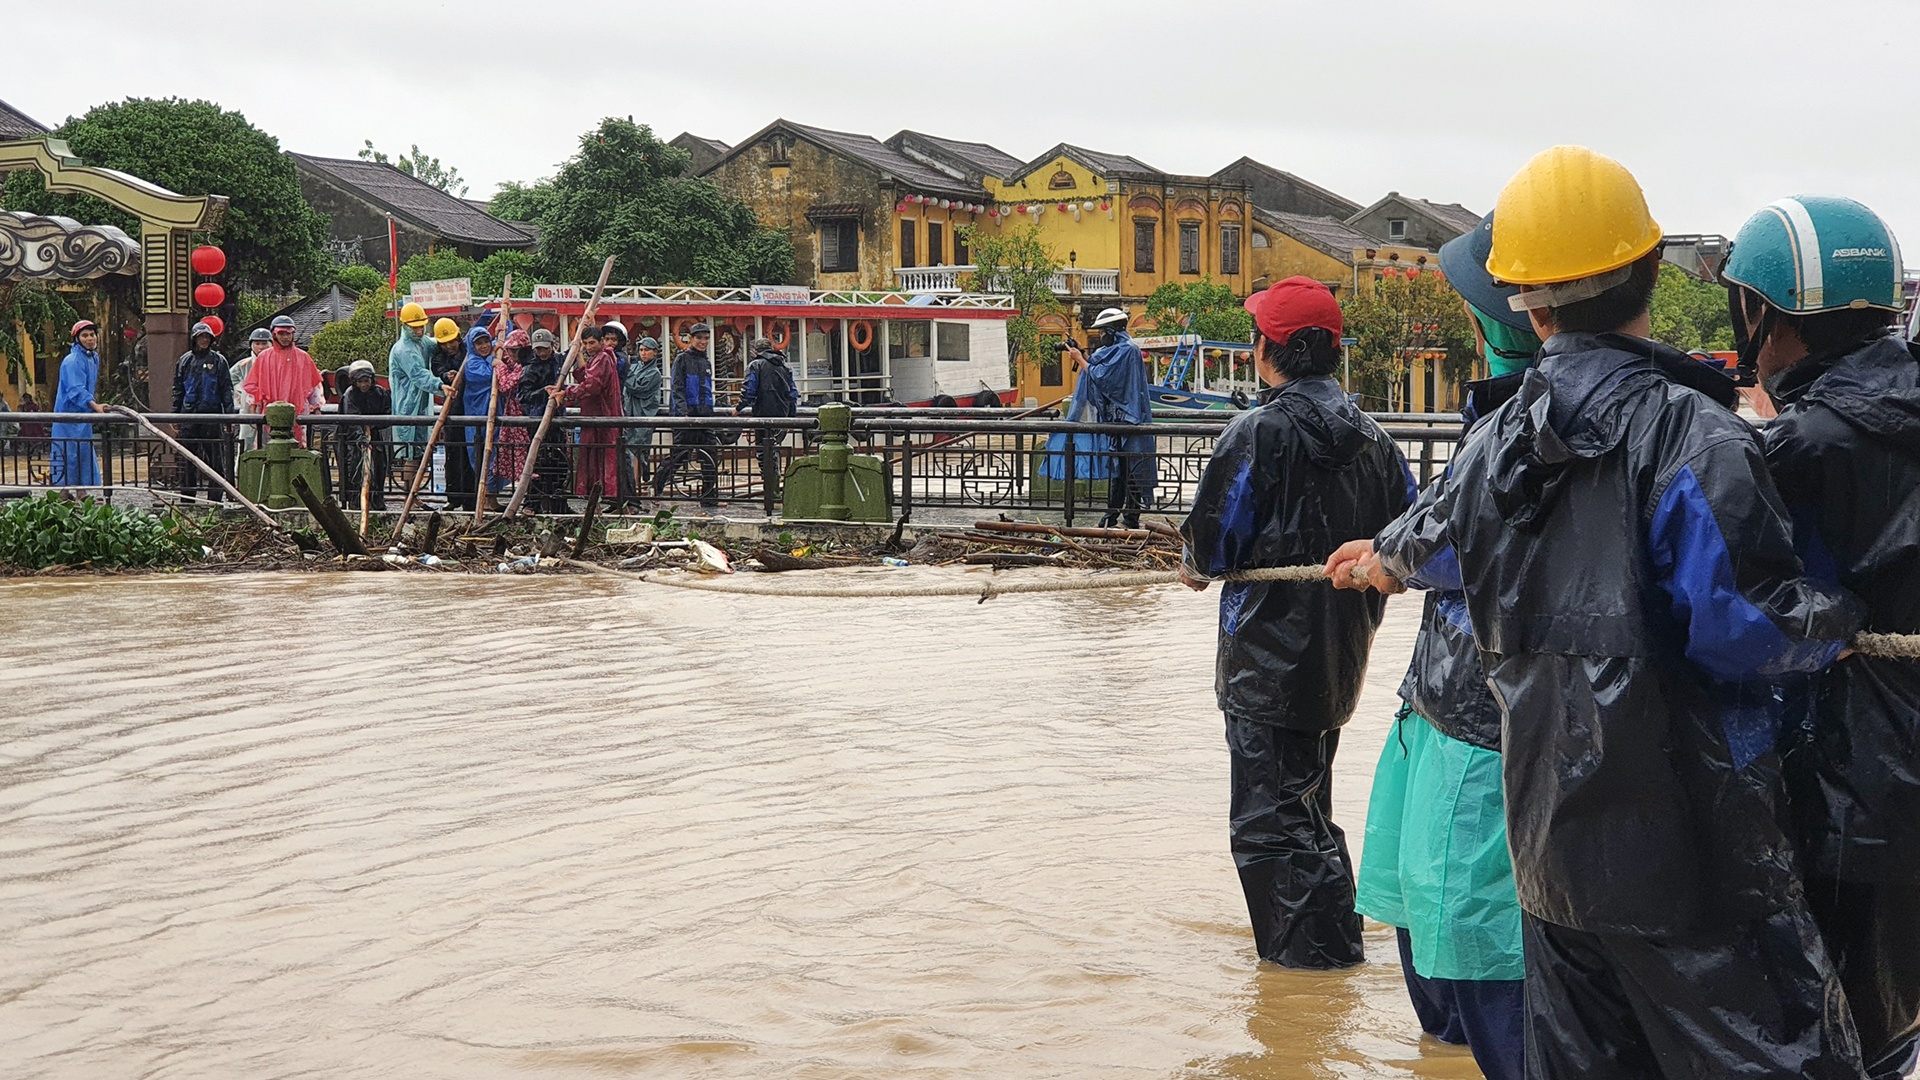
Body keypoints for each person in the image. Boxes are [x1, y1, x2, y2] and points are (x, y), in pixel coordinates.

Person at [1330, 146, 1866, 1079]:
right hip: (1693, 841)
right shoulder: (1694, 432)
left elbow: (1433, 544)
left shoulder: (1493, 442)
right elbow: (1741, 627)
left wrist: (1380, 559)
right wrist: (1840, 614)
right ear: (1654, 266)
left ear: (1527, 304)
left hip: (1549, 843)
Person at [1721, 195, 1920, 1080]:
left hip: (1848, 781)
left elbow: (1725, 604)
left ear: (1766, 312)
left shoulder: (1800, 447)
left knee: (1835, 1036)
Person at [1178, 276, 1413, 969]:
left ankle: (1306, 970)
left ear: (1268, 350)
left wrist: (1193, 563)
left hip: (1263, 660)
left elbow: (1213, 547)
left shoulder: (1257, 431)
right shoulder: (1375, 438)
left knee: (1270, 823)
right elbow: (1410, 536)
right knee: (1306, 805)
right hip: (1341, 655)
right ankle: (1328, 966)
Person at [1352, 213, 1536, 1080]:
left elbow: (1454, 537)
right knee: (1423, 906)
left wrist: (1392, 557)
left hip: (1479, 722)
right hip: (1437, 704)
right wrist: (1390, 550)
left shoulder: (1525, 426)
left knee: (1474, 931)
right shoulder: (1501, 418)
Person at [1064, 307, 1156, 528]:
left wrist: (1081, 360)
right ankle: (1111, 515)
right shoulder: (1116, 351)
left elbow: (1103, 378)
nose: (1101, 336)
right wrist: (1083, 355)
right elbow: (1100, 369)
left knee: (1132, 470)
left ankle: (1130, 517)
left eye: (1103, 332)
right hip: (1117, 421)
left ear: (1112, 331)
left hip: (1130, 419)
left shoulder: (1128, 351)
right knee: (1119, 471)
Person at [548, 323, 621, 501]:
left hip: (602, 418)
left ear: (601, 342)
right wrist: (579, 353)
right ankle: (604, 501)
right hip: (597, 417)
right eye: (586, 344)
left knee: (603, 460)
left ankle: (613, 499)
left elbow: (592, 385)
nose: (589, 347)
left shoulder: (603, 358)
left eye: (592, 343)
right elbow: (585, 376)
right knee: (598, 460)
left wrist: (566, 393)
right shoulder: (599, 358)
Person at [653, 323, 719, 507]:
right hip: (686, 417)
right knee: (679, 456)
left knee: (710, 456)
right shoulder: (682, 359)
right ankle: (656, 489)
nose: (703, 342)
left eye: (706, 338)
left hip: (705, 416)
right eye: (699, 338)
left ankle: (709, 497)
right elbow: (677, 389)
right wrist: (683, 415)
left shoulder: (706, 362)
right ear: (691, 339)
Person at [170, 320, 235, 502]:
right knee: (187, 460)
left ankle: (215, 499)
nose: (204, 340)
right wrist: (174, 415)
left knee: (215, 460)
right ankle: (187, 499)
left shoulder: (219, 361)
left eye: (207, 337)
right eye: (201, 337)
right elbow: (178, 389)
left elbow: (226, 390)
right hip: (188, 415)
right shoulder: (185, 360)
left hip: (212, 415)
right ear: (194, 339)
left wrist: (229, 418)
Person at [241, 315, 324, 444]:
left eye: (288, 333)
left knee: (298, 449)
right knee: (268, 449)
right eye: (282, 333)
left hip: (299, 412)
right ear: (274, 334)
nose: (285, 337)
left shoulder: (303, 357)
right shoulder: (264, 357)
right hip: (269, 412)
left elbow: (315, 386)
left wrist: (317, 408)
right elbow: (253, 385)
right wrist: (253, 410)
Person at [735, 335, 796, 502]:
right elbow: (792, 393)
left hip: (763, 415)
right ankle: (775, 489)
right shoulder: (785, 367)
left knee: (764, 453)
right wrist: (791, 416)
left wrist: (738, 408)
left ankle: (771, 491)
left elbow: (749, 391)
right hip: (782, 416)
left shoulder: (755, 365)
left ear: (756, 352)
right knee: (774, 450)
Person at [516, 328, 570, 514]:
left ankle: (558, 504)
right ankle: (531, 503)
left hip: (557, 419)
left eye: (544, 349)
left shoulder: (559, 362)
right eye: (538, 349)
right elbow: (523, 396)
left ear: (552, 346)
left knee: (560, 463)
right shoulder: (530, 369)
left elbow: (573, 351)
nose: (541, 353)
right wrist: (543, 393)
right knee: (537, 464)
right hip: (537, 420)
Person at [51, 319, 107, 488]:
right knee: (66, 454)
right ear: (77, 339)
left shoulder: (93, 358)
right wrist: (95, 406)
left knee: (83, 452)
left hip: (83, 415)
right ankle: (63, 493)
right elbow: (76, 389)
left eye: (92, 334)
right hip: (67, 415)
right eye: (85, 335)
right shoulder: (72, 360)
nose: (90, 338)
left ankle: (82, 492)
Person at [387, 301, 439, 481]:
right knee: (410, 453)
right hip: (407, 406)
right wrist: (441, 386)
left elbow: (436, 344)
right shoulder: (404, 350)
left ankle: (413, 494)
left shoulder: (422, 342)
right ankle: (409, 493)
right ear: (405, 326)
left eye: (421, 326)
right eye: (414, 327)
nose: (419, 331)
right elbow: (419, 375)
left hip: (421, 405)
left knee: (419, 451)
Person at [429, 318, 474, 512]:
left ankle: (471, 498)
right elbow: (438, 369)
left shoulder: (468, 352)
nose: (450, 346)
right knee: (453, 456)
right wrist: (447, 375)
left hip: (472, 409)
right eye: (445, 343)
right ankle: (453, 496)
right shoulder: (439, 357)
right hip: (452, 411)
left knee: (471, 456)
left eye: (452, 341)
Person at [337, 359, 391, 511]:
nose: (364, 385)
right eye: (360, 381)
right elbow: (351, 419)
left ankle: (377, 500)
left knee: (379, 467)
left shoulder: (380, 392)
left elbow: (387, 414)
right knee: (355, 469)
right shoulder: (350, 395)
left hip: (375, 435)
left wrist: (374, 424)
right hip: (353, 439)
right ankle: (355, 501)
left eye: (366, 381)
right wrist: (361, 439)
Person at [459, 324, 502, 510]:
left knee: (496, 454)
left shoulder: (490, 356)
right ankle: (485, 498)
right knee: (481, 454)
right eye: (479, 343)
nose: (484, 346)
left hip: (495, 412)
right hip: (478, 415)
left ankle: (492, 497)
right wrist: (493, 359)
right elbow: (488, 375)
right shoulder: (471, 364)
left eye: (486, 341)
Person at [621, 333, 664, 499]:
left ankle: (636, 487)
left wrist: (627, 374)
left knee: (638, 450)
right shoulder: (636, 367)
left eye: (647, 350)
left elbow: (636, 388)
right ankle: (632, 486)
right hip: (629, 414)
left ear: (654, 352)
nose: (643, 353)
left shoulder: (654, 373)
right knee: (629, 449)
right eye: (641, 350)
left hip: (643, 415)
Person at [490, 328, 531, 491]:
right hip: (513, 414)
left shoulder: (526, 367)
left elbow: (506, 385)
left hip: (523, 415)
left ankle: (527, 493)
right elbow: (507, 357)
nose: (512, 354)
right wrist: (498, 343)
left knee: (523, 455)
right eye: (510, 350)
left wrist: (499, 367)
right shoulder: (517, 362)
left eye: (516, 350)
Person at [229, 327, 269, 455]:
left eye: (264, 343)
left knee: (269, 446)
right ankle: (239, 474)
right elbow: (229, 380)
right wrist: (240, 396)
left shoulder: (277, 362)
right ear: (251, 345)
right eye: (257, 343)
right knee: (245, 445)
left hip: (270, 410)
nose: (261, 347)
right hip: (247, 411)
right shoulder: (243, 364)